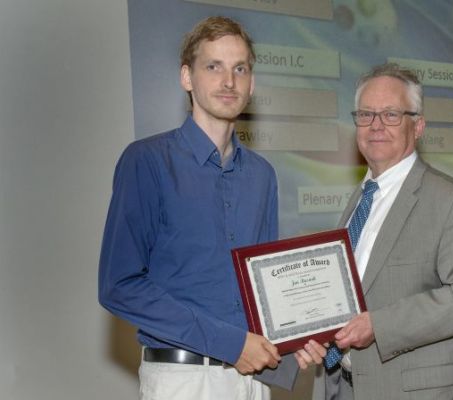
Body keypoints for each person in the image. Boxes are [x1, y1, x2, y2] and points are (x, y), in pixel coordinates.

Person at [98, 16, 323, 400]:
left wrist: (294, 339)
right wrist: (230, 343)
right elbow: (119, 286)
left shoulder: (263, 175)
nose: (228, 81)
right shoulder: (147, 161)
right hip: (183, 380)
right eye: (213, 66)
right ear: (187, 77)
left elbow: (263, 291)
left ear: (252, 85)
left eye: (240, 69)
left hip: (252, 382)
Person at [312, 63, 453, 400]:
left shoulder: (450, 200)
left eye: (392, 114)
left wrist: (380, 326)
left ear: (419, 125)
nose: (376, 125)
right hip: (346, 387)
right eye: (366, 114)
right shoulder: (359, 200)